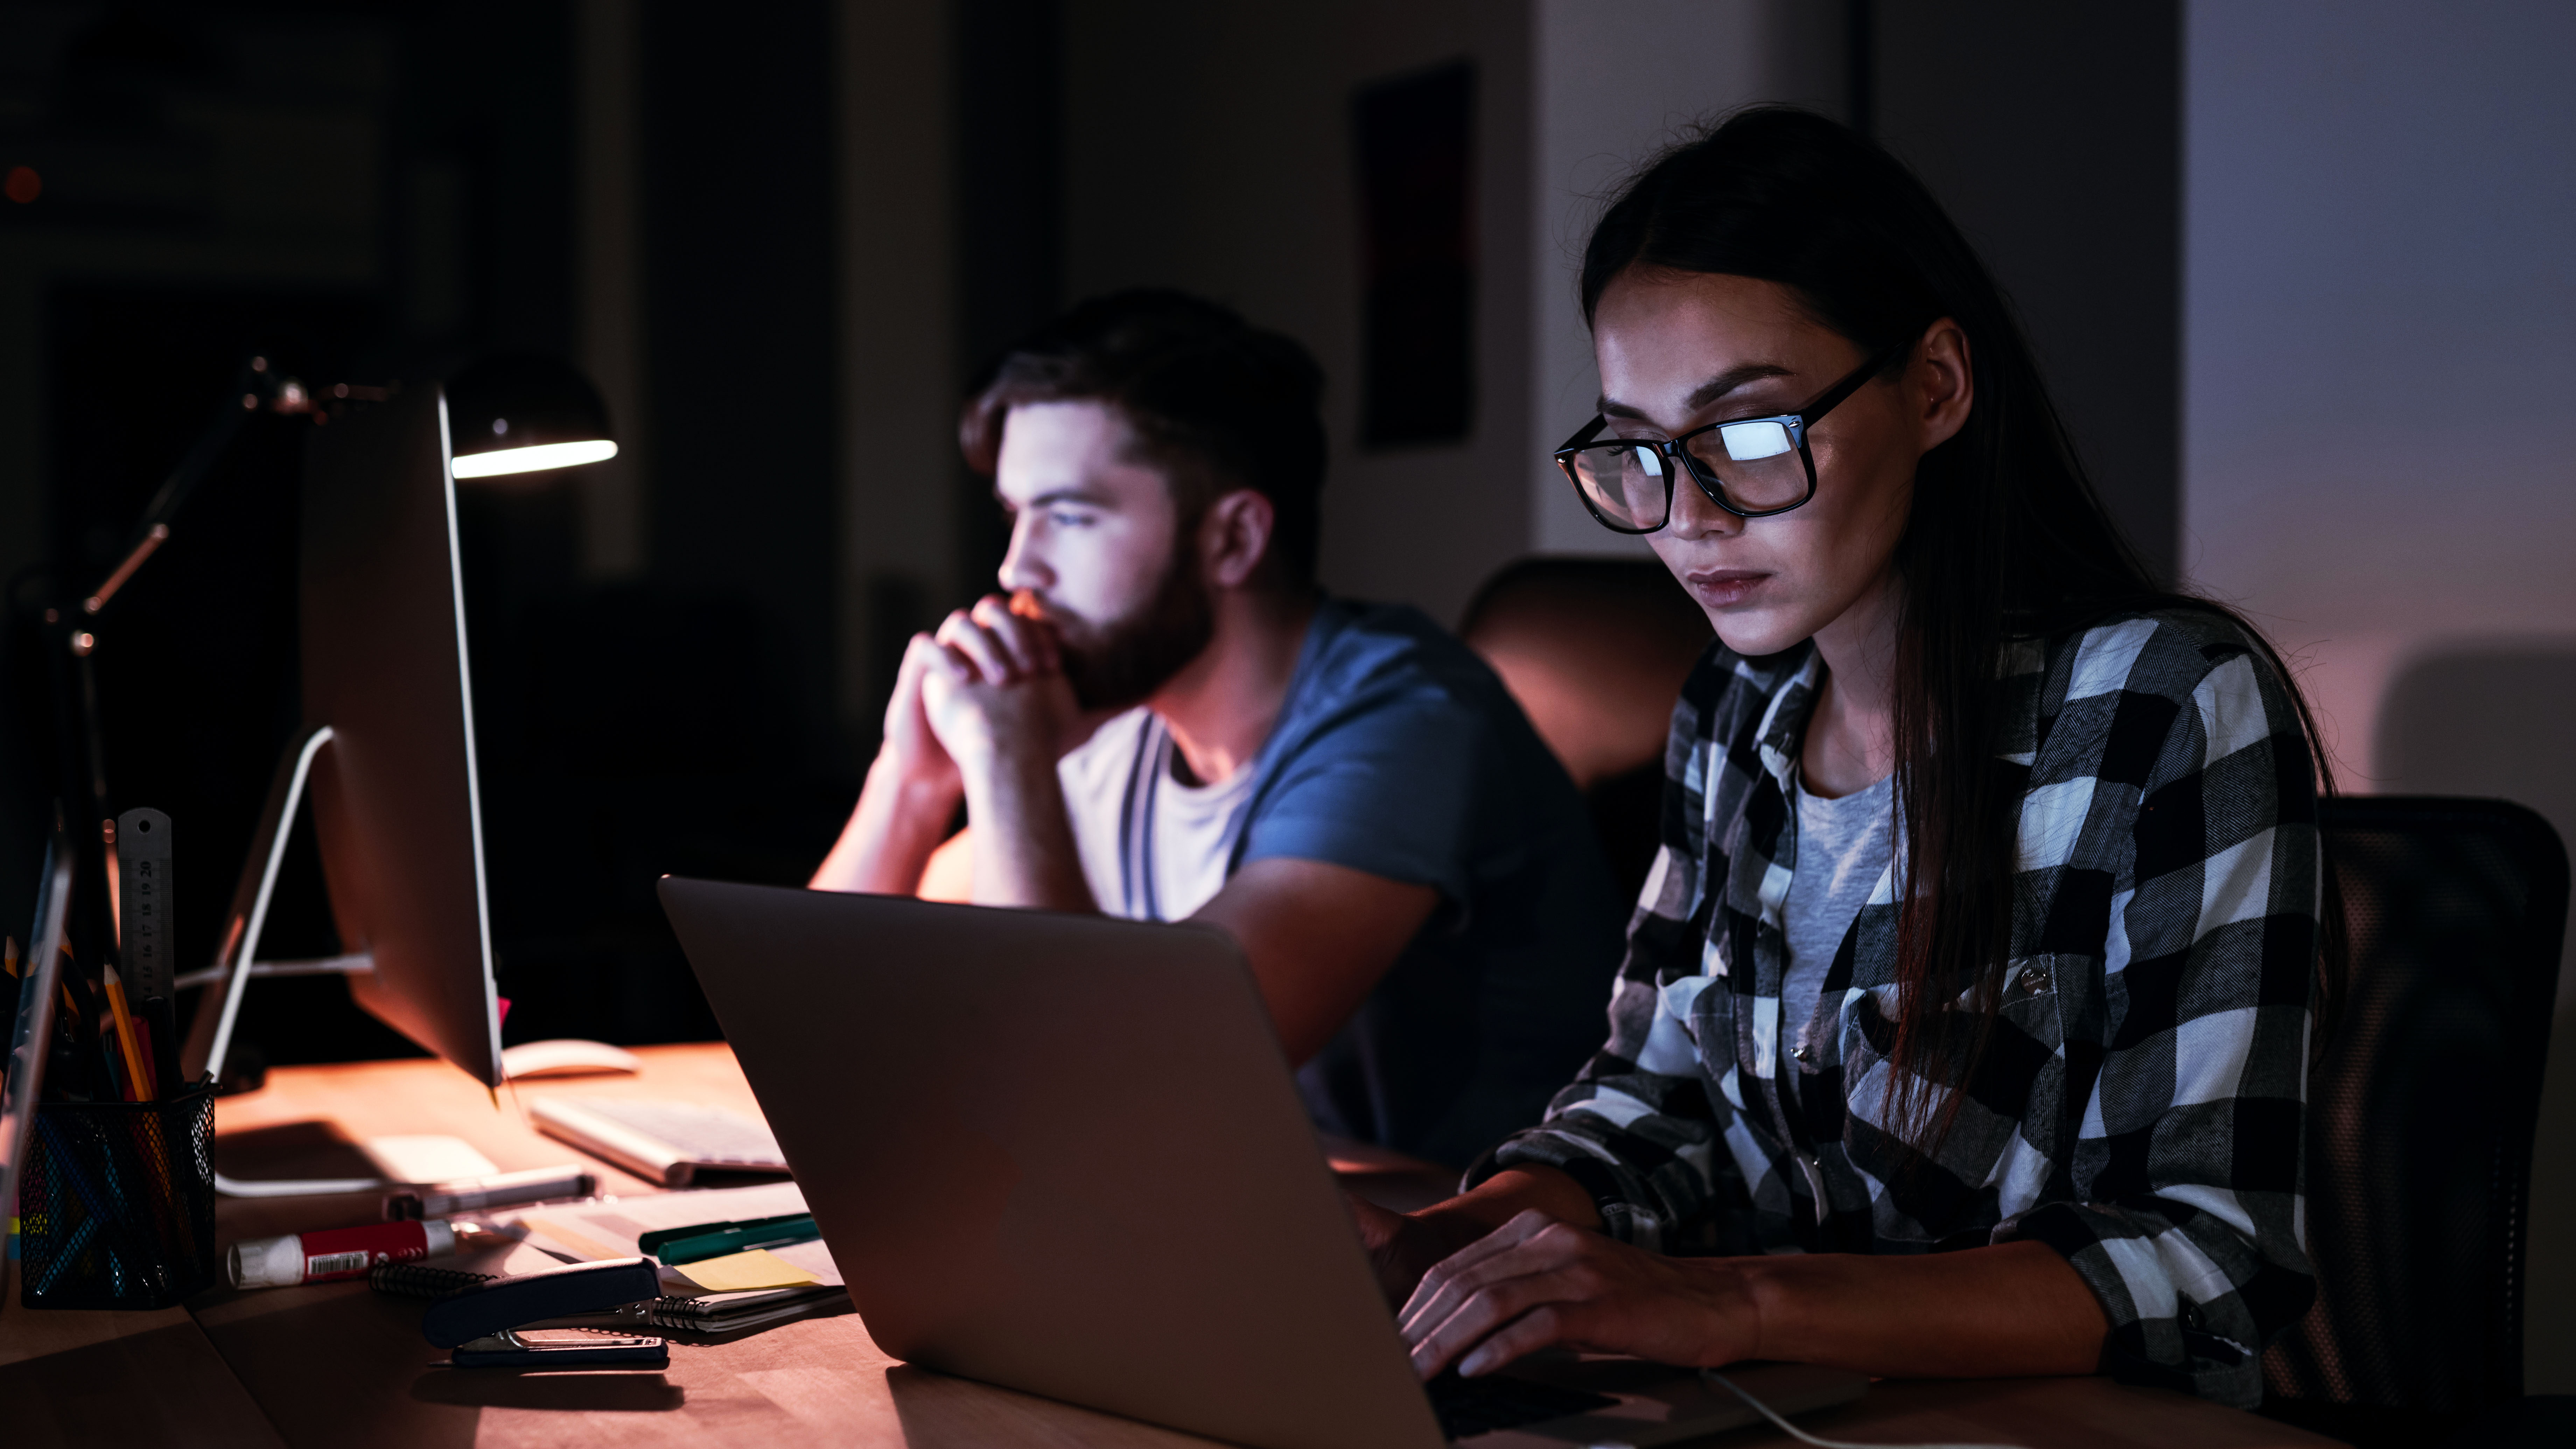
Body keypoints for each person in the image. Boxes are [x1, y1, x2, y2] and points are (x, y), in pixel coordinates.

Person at [1354, 108, 2337, 1409]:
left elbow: (2206, 1252)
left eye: (1750, 438)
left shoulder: (2165, 701)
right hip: (1783, 1409)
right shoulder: (1735, 712)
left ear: (1936, 386)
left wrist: (1735, 1305)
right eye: (1637, 454)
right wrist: (1477, 1240)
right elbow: (1661, 1096)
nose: (1687, 520)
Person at [811, 290, 1628, 1169]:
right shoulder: (1123, 718)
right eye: (1016, 516)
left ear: (1233, 538)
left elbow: (1102, 1092)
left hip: (1437, 1257)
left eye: (1071, 516)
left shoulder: (1403, 721)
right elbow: (821, 1009)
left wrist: (1009, 764)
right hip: (1210, 1204)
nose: (1017, 567)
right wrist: (912, 782)